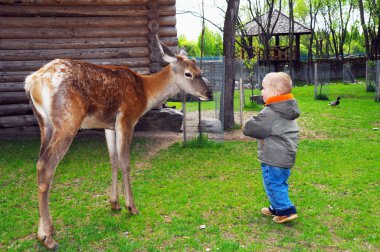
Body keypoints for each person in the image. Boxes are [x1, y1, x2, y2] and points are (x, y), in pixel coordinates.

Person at [242, 72, 300, 223]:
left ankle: (286, 210)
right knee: (279, 182)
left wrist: (246, 124)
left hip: (274, 156)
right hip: (285, 154)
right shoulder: (287, 108)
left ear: (275, 92)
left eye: (263, 88)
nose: (261, 91)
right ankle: (276, 207)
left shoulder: (272, 111)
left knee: (272, 182)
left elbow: (251, 128)